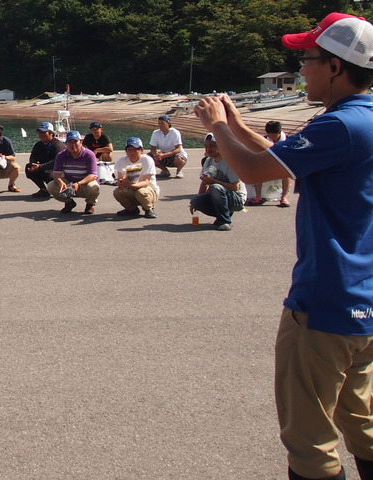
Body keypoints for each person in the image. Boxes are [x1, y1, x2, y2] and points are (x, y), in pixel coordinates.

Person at [193, 13, 373, 480]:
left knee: (309, 442)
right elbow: (282, 160)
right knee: (363, 422)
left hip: (326, 301)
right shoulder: (361, 120)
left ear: (334, 66)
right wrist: (237, 125)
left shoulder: (339, 126)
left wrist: (218, 125)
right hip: (365, 299)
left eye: (306, 59)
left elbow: (254, 171)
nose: (301, 70)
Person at [189, 133, 246, 231]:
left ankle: (225, 221)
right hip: (220, 194)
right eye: (206, 146)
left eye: (212, 146)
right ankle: (222, 215)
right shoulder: (209, 161)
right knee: (195, 201)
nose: (208, 149)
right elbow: (204, 182)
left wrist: (213, 181)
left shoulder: (230, 161)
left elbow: (235, 187)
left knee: (216, 187)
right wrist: (195, 202)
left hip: (236, 198)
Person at [47, 130, 99, 214]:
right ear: (66, 144)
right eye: (70, 142)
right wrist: (61, 183)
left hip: (84, 183)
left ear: (81, 142)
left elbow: (92, 175)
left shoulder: (89, 155)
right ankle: (69, 203)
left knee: (94, 187)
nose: (72, 144)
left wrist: (78, 184)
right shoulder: (61, 155)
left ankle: (90, 204)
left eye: (75, 141)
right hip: (69, 181)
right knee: (51, 186)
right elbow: (56, 174)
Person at [246, 121, 293, 207]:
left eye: (274, 136)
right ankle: (258, 197)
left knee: (287, 171)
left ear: (280, 132)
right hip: (267, 164)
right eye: (269, 135)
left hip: (282, 165)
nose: (271, 138)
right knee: (257, 169)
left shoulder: (288, 140)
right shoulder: (263, 139)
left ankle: (284, 197)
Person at [113, 137, 159, 218]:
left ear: (141, 150)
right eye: (129, 150)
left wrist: (131, 185)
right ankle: (132, 209)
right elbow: (119, 179)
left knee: (141, 192)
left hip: (148, 190)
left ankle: (149, 208)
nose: (132, 152)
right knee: (118, 192)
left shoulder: (147, 160)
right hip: (131, 189)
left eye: (135, 150)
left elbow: (146, 182)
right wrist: (121, 183)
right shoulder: (122, 160)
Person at [25, 121, 65, 198]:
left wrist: (40, 167)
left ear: (51, 133)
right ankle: (43, 190)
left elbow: (56, 162)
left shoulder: (57, 145)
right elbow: (33, 156)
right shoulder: (38, 145)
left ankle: (59, 188)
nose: (41, 134)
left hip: (56, 171)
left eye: (44, 132)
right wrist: (33, 165)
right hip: (43, 168)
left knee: (50, 175)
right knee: (28, 167)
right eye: (40, 132)